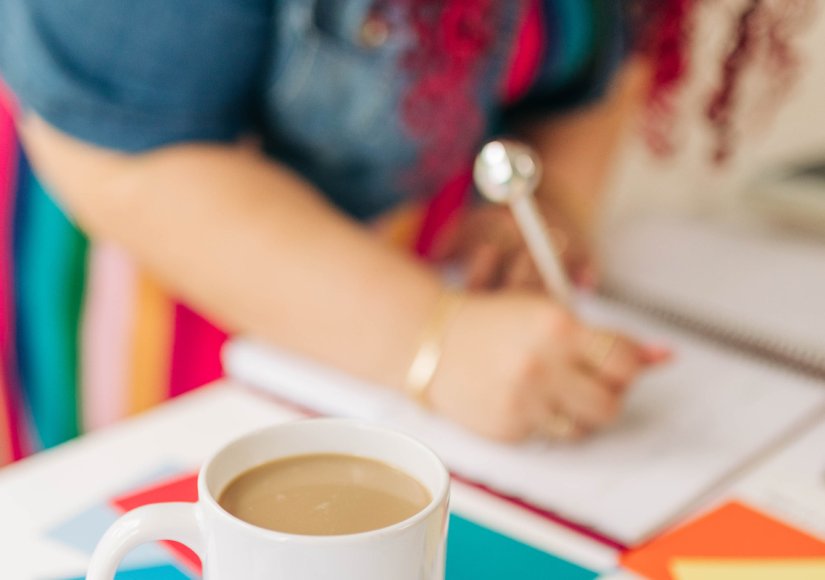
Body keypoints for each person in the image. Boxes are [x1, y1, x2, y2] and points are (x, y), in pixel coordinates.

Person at [0, 0, 805, 460]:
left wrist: (550, 196)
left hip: (423, 262)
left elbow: (613, 44)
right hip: (162, 267)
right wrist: (433, 340)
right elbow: (120, 152)